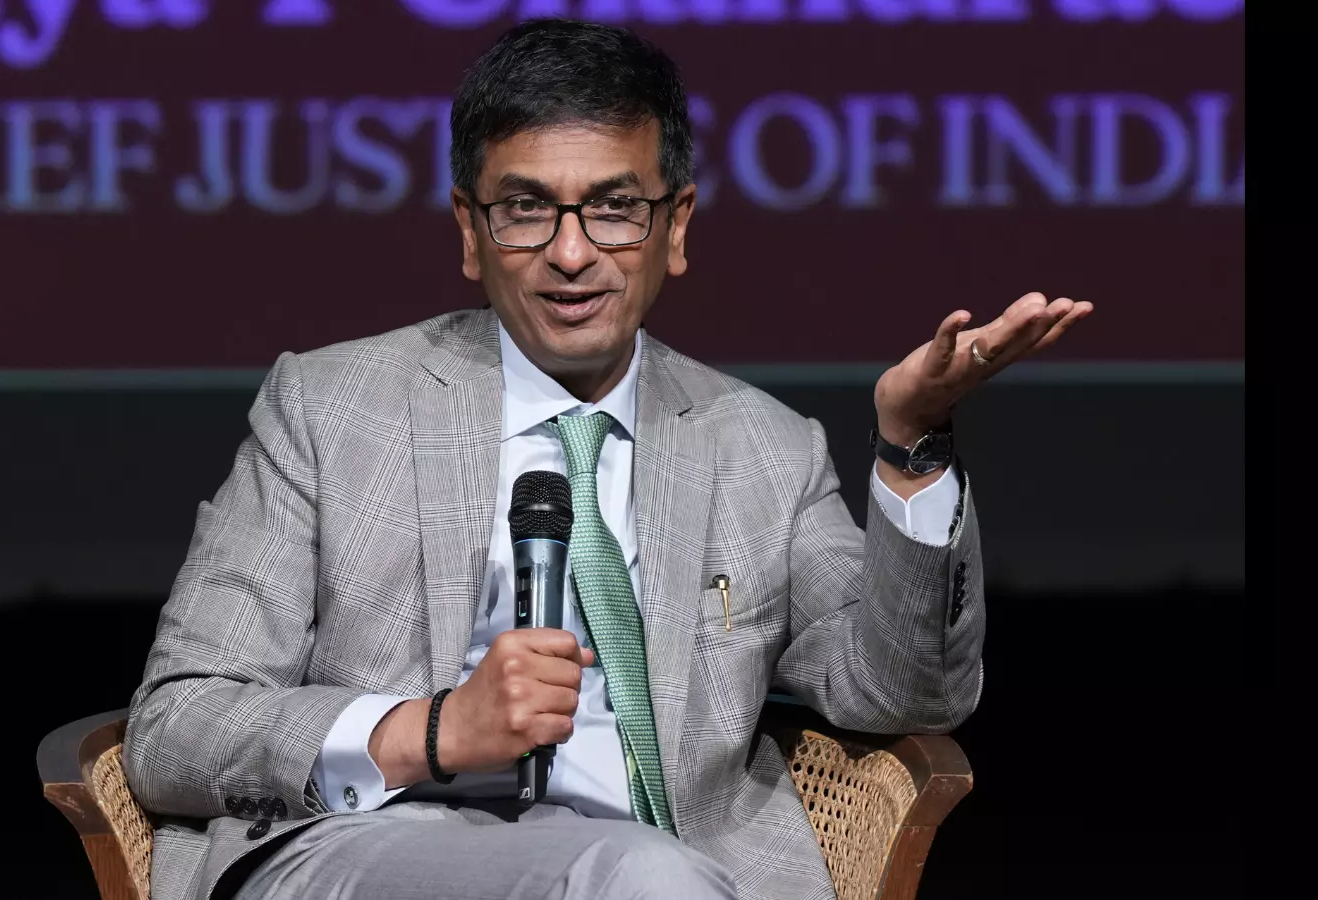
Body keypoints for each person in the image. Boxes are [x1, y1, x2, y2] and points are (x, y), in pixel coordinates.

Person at [122, 17, 1091, 900]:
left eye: (615, 208)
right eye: (526, 208)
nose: (572, 253)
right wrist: (430, 730)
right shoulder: (332, 408)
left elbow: (904, 693)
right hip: (371, 846)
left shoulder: (761, 447)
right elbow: (176, 726)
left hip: (670, 862)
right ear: (471, 232)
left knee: (643, 873)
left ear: (677, 227)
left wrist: (912, 443)